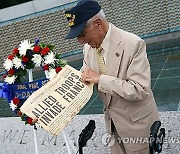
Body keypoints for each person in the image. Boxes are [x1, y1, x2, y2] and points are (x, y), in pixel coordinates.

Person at [65, 0, 159, 153]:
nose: (81, 41)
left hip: (138, 128)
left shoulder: (133, 43)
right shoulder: (88, 49)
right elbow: (84, 77)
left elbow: (139, 89)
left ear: (98, 24)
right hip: (112, 127)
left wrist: (100, 79)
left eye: (82, 34)